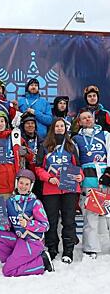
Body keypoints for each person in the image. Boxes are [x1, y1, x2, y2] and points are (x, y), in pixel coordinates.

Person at [0, 169, 54, 277]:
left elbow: (45, 226)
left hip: (32, 241)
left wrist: (28, 224)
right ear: (17, 183)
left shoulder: (35, 203)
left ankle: (42, 262)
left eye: (27, 184)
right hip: (18, 239)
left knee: (7, 271)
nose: (23, 186)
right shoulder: (9, 202)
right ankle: (13, 261)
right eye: (21, 183)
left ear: (31, 186)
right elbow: (7, 226)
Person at [35, 118, 83, 263]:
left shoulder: (70, 145)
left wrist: (80, 176)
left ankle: (68, 250)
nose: (60, 128)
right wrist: (48, 178)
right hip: (51, 189)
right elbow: (38, 168)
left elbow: (78, 166)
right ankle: (52, 248)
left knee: (69, 220)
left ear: (65, 128)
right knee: (51, 220)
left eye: (62, 126)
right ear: (53, 128)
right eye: (57, 126)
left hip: (69, 188)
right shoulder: (45, 146)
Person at [72, 110, 110, 259]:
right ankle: (91, 247)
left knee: (108, 215)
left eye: (89, 117)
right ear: (79, 122)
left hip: (105, 180)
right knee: (91, 215)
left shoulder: (105, 135)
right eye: (83, 118)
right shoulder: (76, 138)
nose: (87, 119)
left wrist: (108, 173)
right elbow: (75, 160)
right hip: (89, 180)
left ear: (94, 119)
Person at [0, 110, 34, 199]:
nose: (0, 124)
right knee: (2, 212)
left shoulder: (16, 138)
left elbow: (31, 158)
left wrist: (26, 153)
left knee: (18, 211)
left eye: (2, 121)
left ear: (6, 123)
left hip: (18, 184)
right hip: (0, 185)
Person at [20, 112, 44, 200]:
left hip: (38, 174)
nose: (30, 125)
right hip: (25, 173)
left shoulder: (41, 140)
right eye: (27, 123)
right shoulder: (19, 140)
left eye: (32, 123)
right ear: (23, 126)